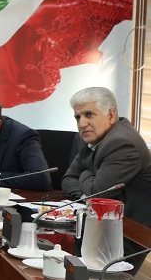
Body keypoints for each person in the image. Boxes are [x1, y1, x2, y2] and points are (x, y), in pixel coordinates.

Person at [62, 87, 151, 227]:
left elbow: (97, 195)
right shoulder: (91, 137)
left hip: (132, 229)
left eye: (89, 114)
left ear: (111, 116)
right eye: (78, 117)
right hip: (103, 222)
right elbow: (68, 179)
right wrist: (83, 196)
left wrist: (84, 174)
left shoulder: (122, 143)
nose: (82, 124)